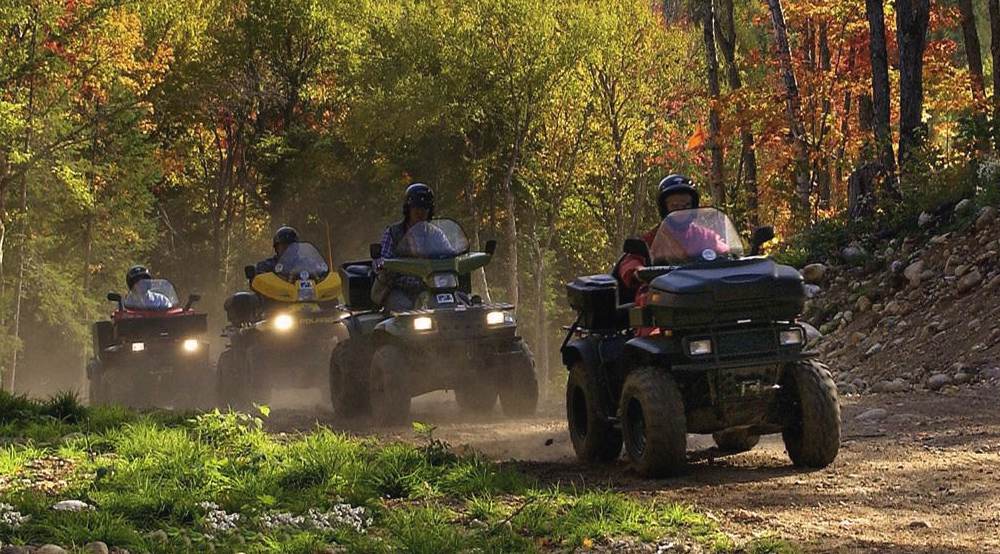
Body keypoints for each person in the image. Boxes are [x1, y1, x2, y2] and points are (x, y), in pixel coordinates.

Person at [615, 174, 702, 300]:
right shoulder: (652, 237)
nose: (680, 211)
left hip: (700, 291)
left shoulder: (704, 235)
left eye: (686, 205)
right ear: (664, 208)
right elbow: (630, 260)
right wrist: (638, 271)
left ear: (694, 206)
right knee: (646, 297)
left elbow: (725, 251)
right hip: (665, 292)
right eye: (674, 206)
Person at [372, 183, 436, 311]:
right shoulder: (393, 232)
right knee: (404, 309)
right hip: (398, 288)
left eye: (424, 207)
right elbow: (382, 258)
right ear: (408, 209)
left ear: (430, 210)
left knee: (453, 304)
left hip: (430, 288)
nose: (420, 212)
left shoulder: (436, 234)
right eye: (416, 207)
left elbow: (450, 254)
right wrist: (382, 264)